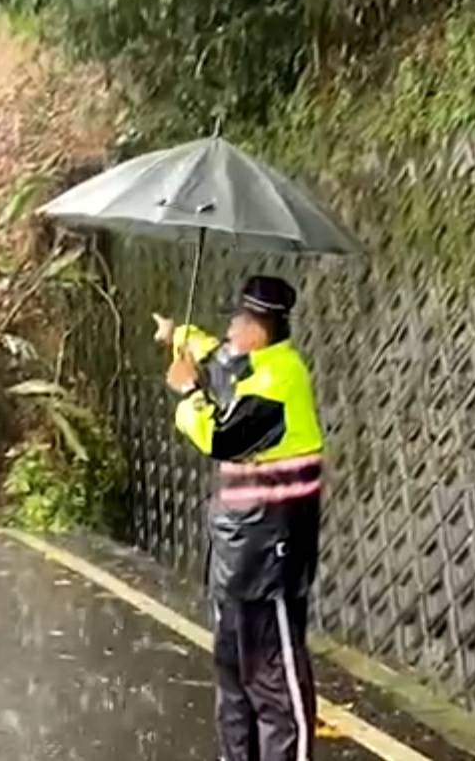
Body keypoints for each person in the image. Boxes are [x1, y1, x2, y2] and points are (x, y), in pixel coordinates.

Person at [155, 276, 324, 761]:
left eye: (237, 323)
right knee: (232, 683)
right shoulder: (251, 364)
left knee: (274, 687)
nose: (229, 329)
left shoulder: (278, 381)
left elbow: (222, 439)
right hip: (234, 555)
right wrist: (177, 334)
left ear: (258, 329)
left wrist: (189, 394)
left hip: (270, 559)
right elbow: (216, 355)